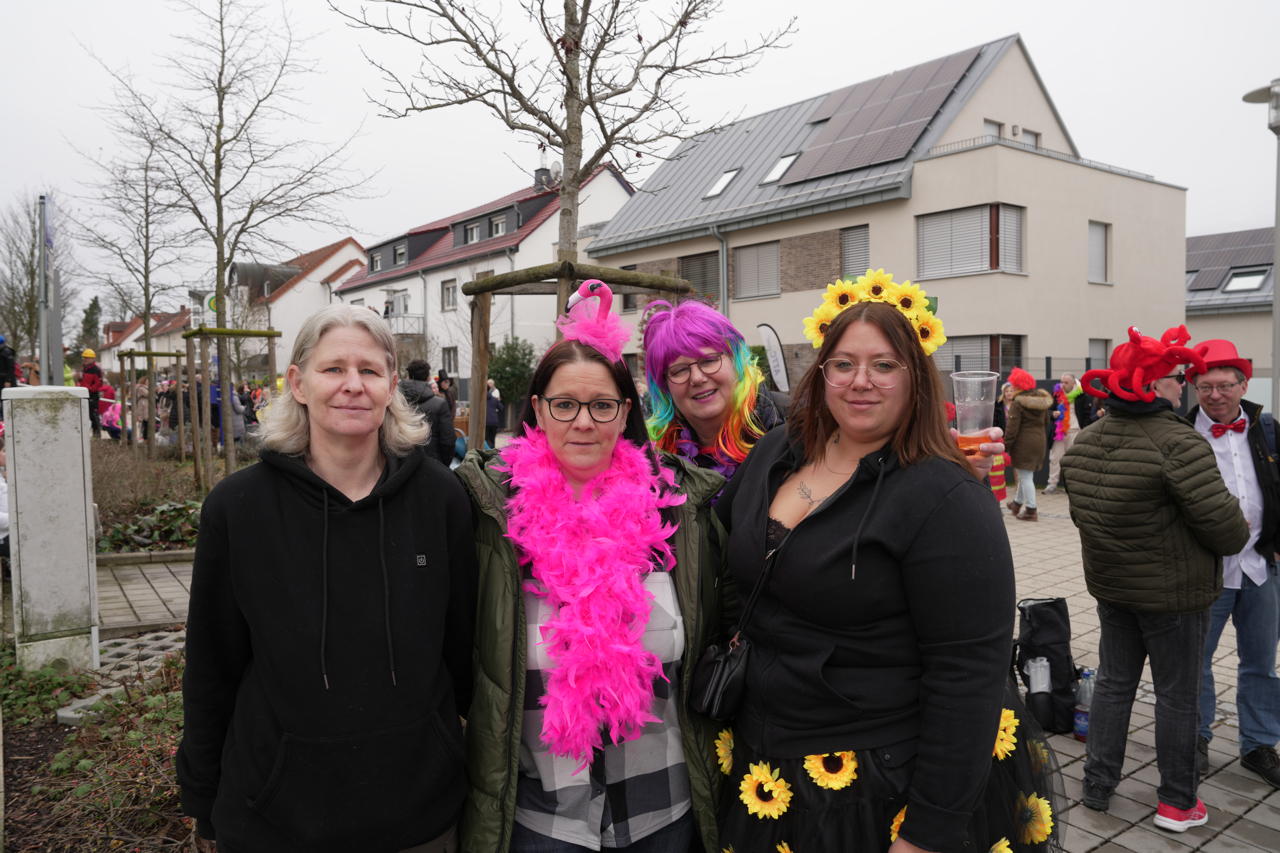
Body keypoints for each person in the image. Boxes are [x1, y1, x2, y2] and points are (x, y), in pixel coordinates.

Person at [713, 281, 1059, 853]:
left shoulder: (944, 495)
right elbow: (712, 536)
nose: (860, 380)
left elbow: (968, 674)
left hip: (873, 781)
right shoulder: (778, 449)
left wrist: (927, 833)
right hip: (759, 761)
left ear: (916, 378)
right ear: (822, 373)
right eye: (844, 363)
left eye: (884, 364)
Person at [177, 304, 477, 852]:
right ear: (297, 383)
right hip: (274, 819)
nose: (352, 386)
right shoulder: (238, 509)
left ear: (392, 384)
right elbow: (210, 668)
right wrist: (201, 799)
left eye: (369, 370)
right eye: (333, 368)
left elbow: (463, 656)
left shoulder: (441, 499)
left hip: (417, 819)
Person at [455, 281, 728, 853]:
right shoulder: (487, 518)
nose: (584, 422)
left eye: (602, 405)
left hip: (664, 817)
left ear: (626, 411)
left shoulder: (680, 511)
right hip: (542, 823)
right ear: (537, 408)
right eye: (565, 404)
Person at [1063, 325, 1249, 833]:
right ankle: (1177, 802)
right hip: (1175, 596)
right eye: (1175, 379)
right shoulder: (1179, 443)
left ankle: (1097, 787)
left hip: (1114, 589)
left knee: (1114, 686)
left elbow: (1084, 518)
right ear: (1152, 384)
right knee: (1176, 697)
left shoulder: (1084, 443)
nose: (1184, 385)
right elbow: (1228, 532)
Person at [1184, 339, 1280, 787]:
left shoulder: (1270, 429)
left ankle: (1258, 745)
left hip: (1261, 566)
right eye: (1205, 387)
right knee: (1196, 661)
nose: (1215, 395)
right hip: (1206, 571)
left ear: (1244, 385)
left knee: (1260, 661)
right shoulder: (1181, 434)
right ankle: (1195, 740)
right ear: (1194, 389)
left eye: (1225, 385)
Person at [641, 299, 784, 481]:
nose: (697, 378)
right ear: (665, 386)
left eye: (709, 361)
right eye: (679, 371)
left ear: (735, 360)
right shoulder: (652, 458)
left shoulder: (791, 427)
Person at [1004, 366, 1052, 521]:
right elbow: (1047, 422)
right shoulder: (1042, 400)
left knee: (1025, 477)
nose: (1011, 387)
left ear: (1018, 385)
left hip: (1023, 443)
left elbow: (1012, 429)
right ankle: (1017, 504)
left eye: (1013, 385)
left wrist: (1006, 446)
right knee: (1026, 474)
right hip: (1039, 441)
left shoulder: (1018, 403)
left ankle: (1031, 510)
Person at [400, 359, 455, 466]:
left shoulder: (396, 402)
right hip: (433, 463)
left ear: (409, 375)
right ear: (429, 377)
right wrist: (444, 464)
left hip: (402, 464)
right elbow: (448, 440)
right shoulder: (440, 404)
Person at [1043, 373, 1080, 494]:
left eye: (1066, 383)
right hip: (1059, 431)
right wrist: (1052, 414)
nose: (1063, 385)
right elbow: (1048, 410)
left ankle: (1071, 485)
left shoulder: (1081, 394)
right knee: (1055, 458)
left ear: (1073, 383)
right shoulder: (1056, 394)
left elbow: (1085, 413)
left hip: (1074, 431)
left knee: (1073, 460)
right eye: (1061, 382)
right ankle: (1052, 484)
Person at [78, 349, 104, 439]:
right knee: (86, 415)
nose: (85, 359)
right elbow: (82, 381)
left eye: (88, 358)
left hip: (92, 395)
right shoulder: (85, 369)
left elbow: (98, 383)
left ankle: (97, 435)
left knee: (93, 415)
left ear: (92, 359)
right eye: (84, 357)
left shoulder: (96, 370)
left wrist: (89, 389)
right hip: (84, 394)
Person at [484, 378, 503, 448]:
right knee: (492, 440)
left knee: (485, 440)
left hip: (485, 422)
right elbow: (501, 408)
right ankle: (492, 454)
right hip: (494, 422)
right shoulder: (494, 399)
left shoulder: (481, 400)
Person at [132, 375, 151, 442]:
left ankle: (144, 437)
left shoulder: (143, 388)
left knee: (145, 424)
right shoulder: (141, 388)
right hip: (143, 406)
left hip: (144, 406)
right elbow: (149, 394)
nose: (149, 382)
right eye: (147, 381)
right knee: (144, 423)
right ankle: (144, 438)